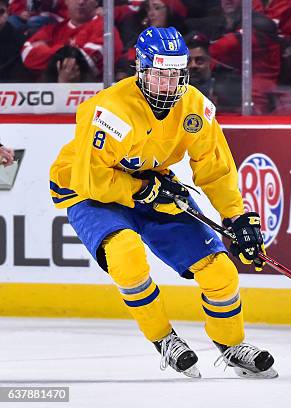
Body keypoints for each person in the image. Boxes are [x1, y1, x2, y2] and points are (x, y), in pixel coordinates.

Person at [48, 26, 277, 379]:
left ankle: (231, 346)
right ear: (141, 70)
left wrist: (237, 217)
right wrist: (142, 192)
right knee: (125, 254)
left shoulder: (195, 108)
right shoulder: (109, 111)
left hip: (150, 184)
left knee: (220, 269)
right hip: (87, 189)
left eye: (176, 75)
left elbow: (215, 169)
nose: (168, 84)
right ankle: (164, 339)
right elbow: (90, 178)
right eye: (159, 74)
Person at [21, 0, 123, 80]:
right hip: (51, 95)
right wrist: (71, 50)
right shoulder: (53, 30)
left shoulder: (106, 29)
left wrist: (51, 49)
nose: (81, 2)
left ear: (96, 2)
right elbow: (27, 54)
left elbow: (86, 62)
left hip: (92, 94)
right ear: (66, 1)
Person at [186, 32, 215, 103]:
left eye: (199, 60)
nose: (193, 65)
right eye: (188, 61)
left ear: (210, 62)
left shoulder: (224, 90)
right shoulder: (171, 95)